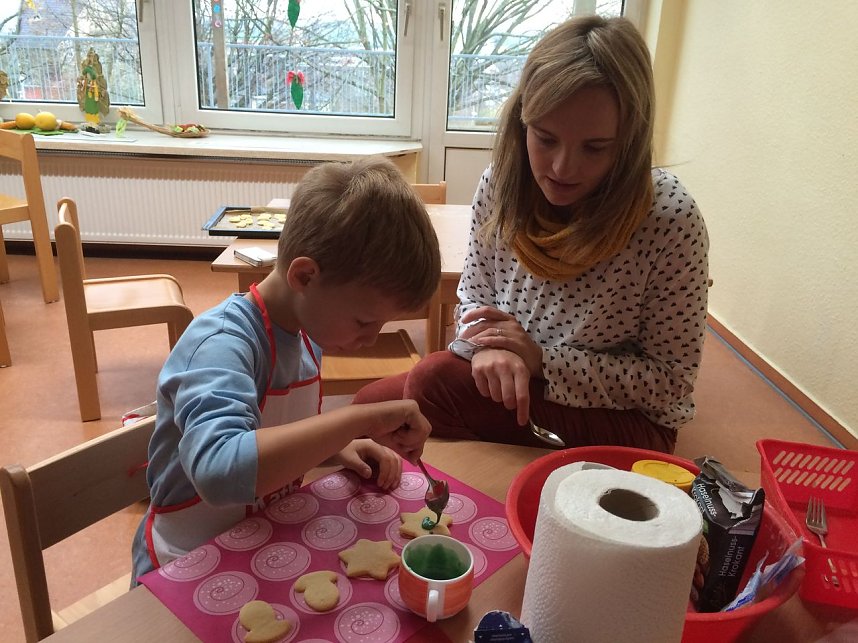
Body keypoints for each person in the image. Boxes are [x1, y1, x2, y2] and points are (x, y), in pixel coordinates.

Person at [354, 15, 709, 454]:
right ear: (522, 122)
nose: (562, 168)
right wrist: (485, 349)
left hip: (624, 418)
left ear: (630, 140)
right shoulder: (500, 183)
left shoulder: (670, 218)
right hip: (512, 378)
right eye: (545, 138)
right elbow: (475, 294)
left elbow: (670, 381)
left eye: (595, 148)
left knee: (432, 385)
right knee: (364, 411)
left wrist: (540, 362)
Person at [131, 157, 441, 582]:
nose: (371, 339)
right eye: (365, 321)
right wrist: (354, 420)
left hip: (252, 545)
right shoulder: (221, 344)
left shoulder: (306, 330)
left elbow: (273, 431)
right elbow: (220, 473)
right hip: (182, 564)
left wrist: (336, 447)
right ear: (306, 275)